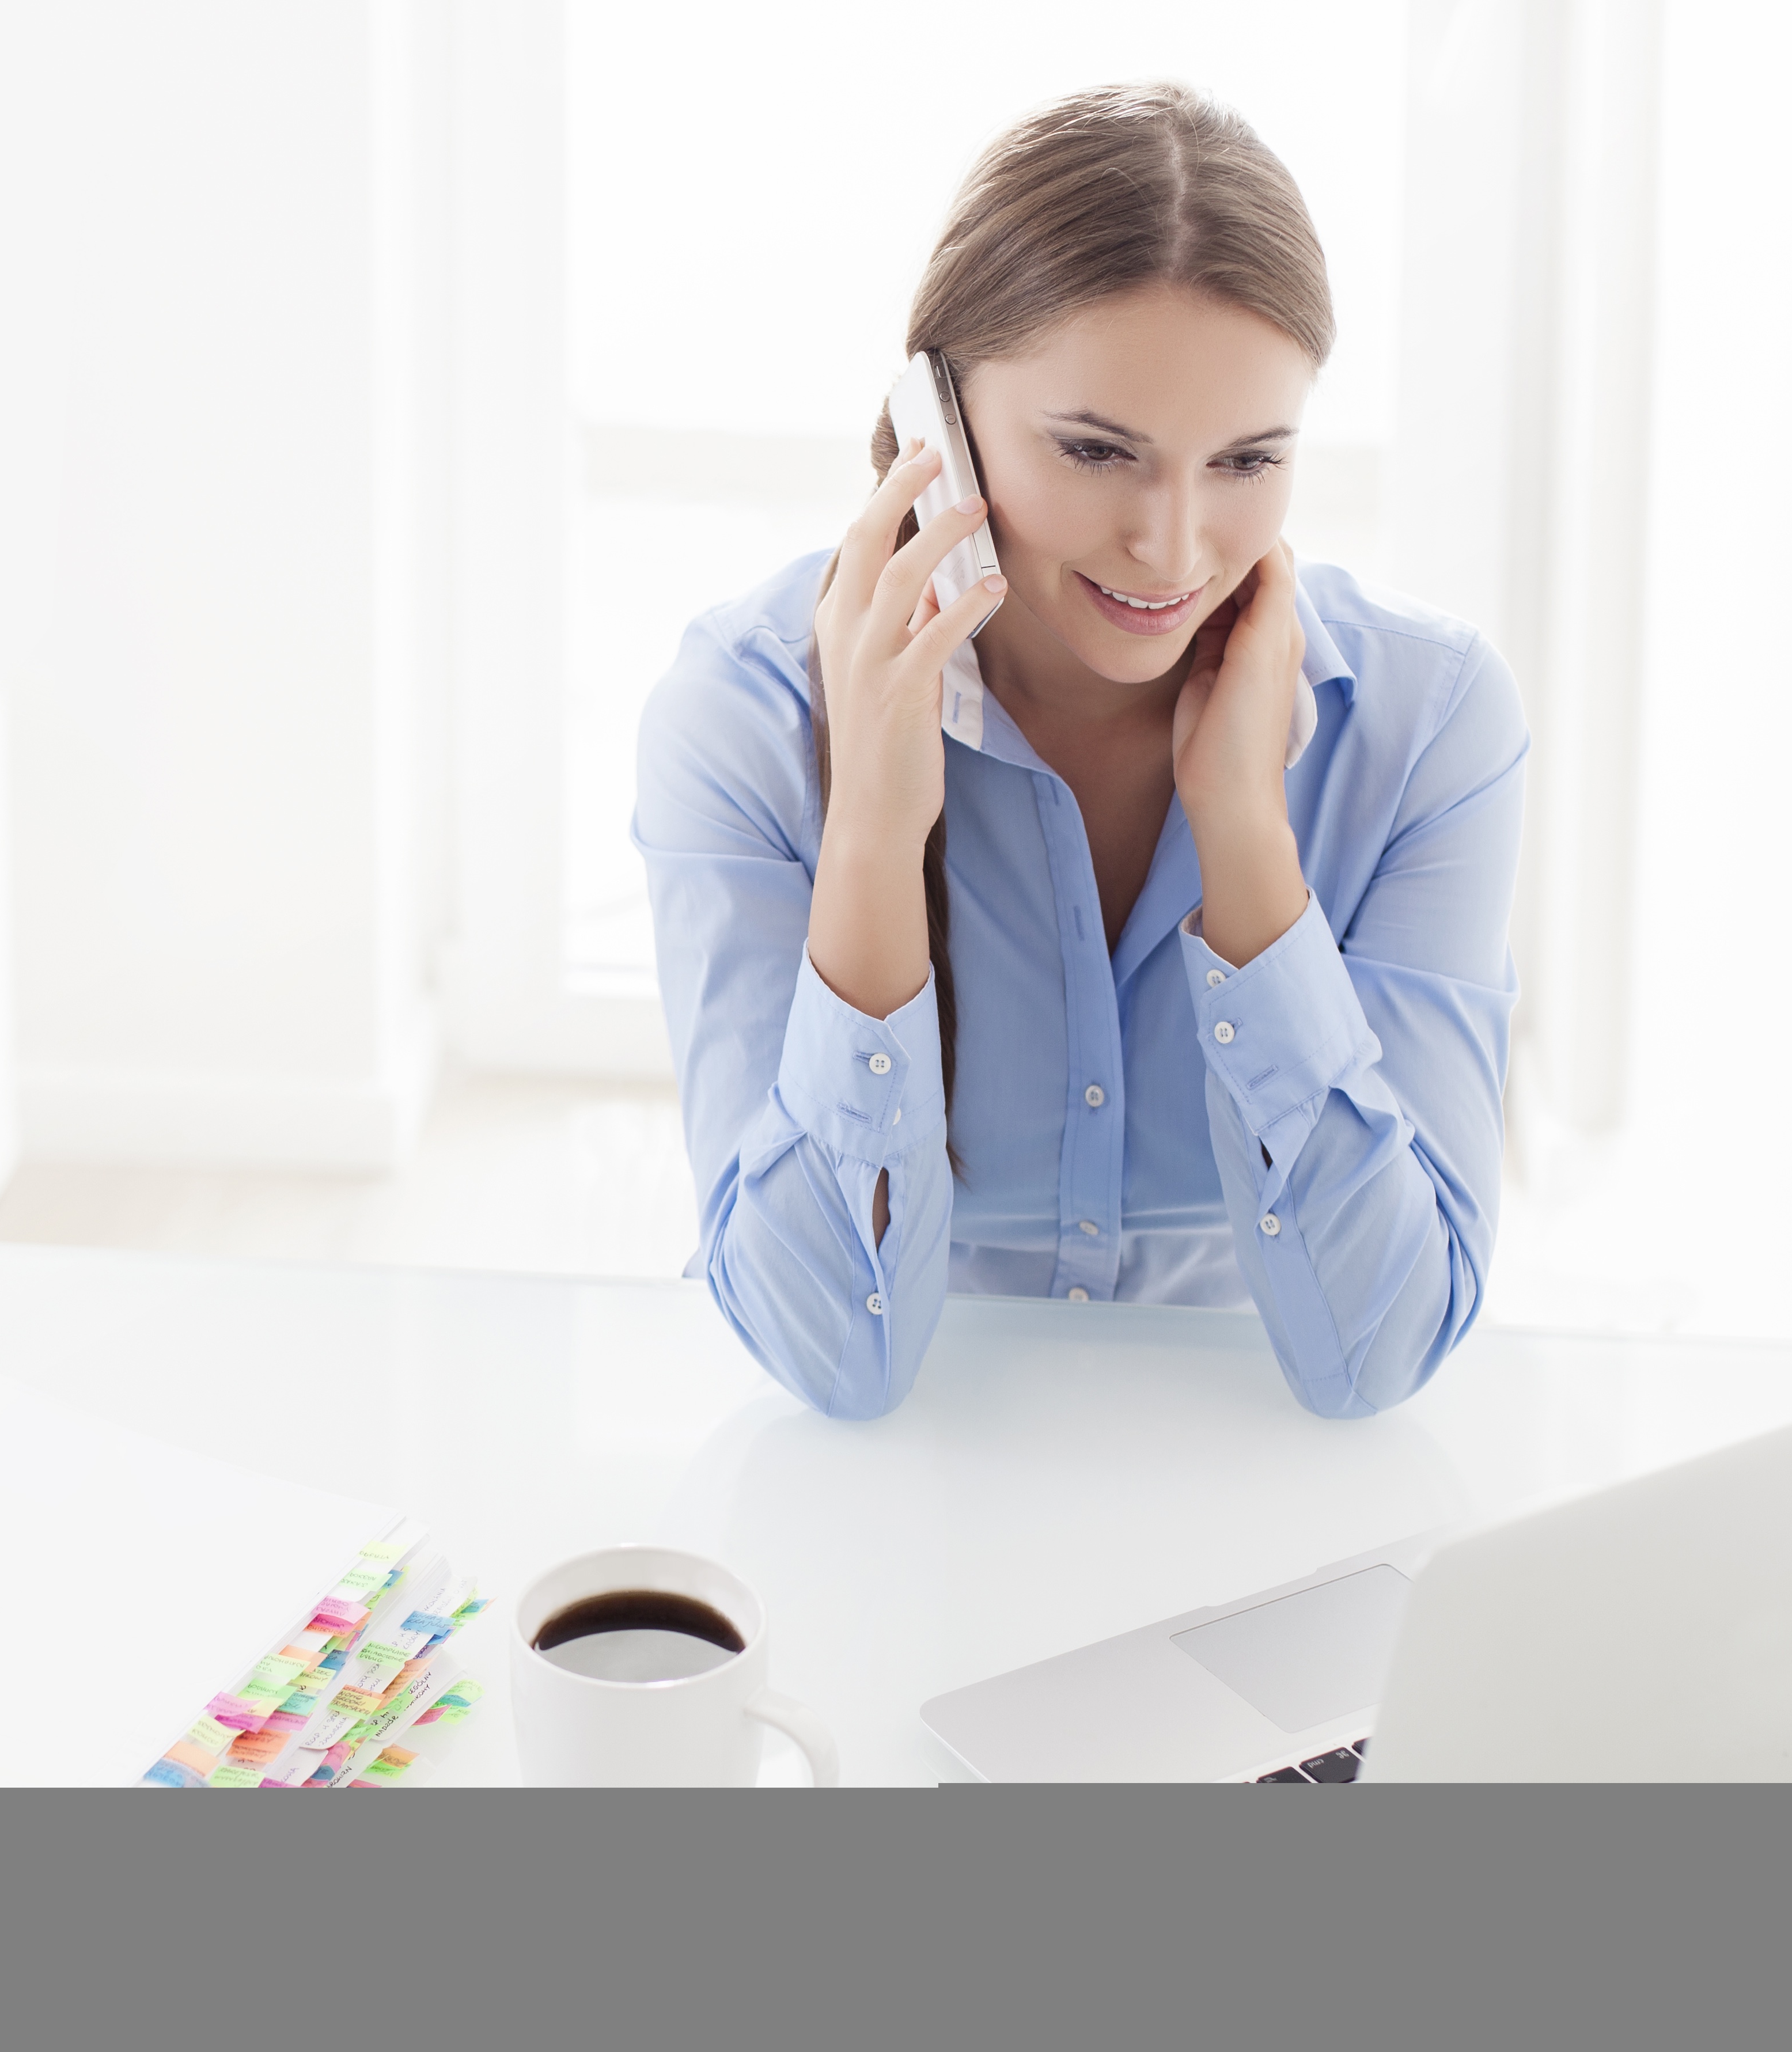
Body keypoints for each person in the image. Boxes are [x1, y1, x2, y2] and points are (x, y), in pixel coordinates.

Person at [632, 82, 1526, 1422]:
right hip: (913, 1495)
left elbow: (1381, 1349)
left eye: (1246, 461)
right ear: (937, 419)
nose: (1173, 549)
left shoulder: (1425, 725)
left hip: (1245, 1492)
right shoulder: (747, 716)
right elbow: (832, 1358)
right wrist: (873, 835)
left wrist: (1246, 842)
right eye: (1097, 450)